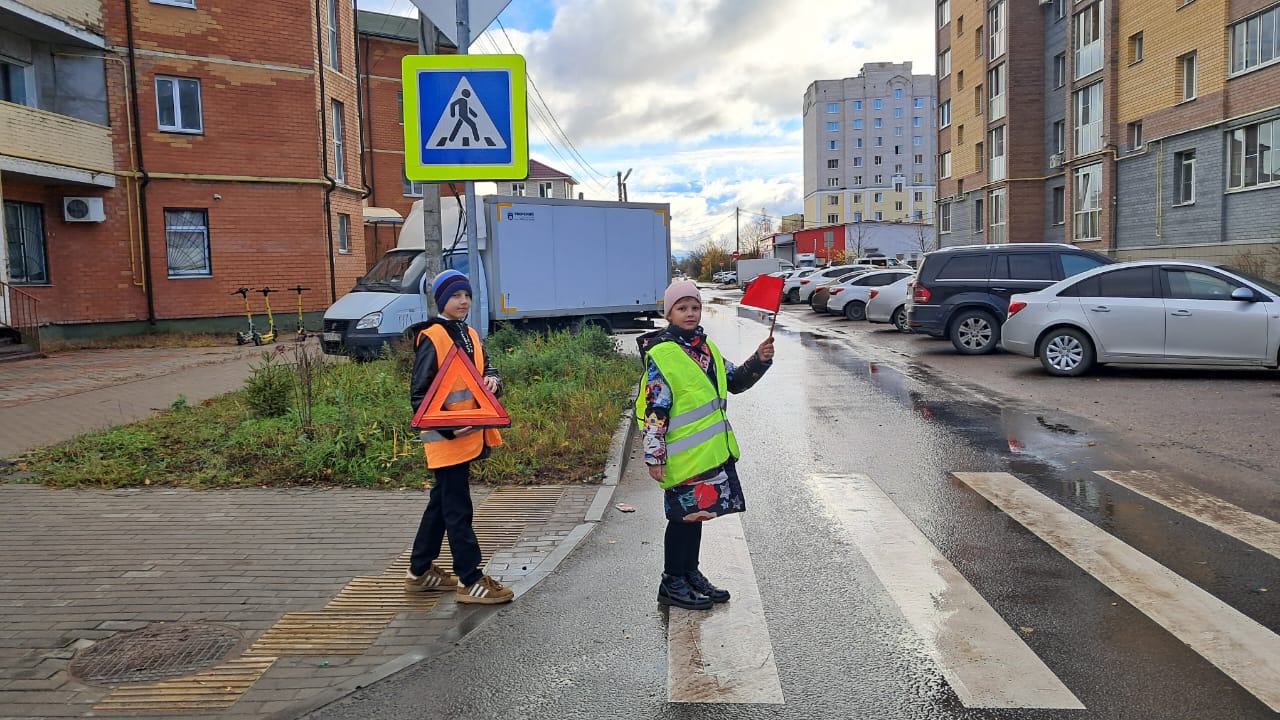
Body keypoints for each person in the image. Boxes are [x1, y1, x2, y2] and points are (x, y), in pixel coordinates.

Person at [636, 279, 774, 611]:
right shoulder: (663, 354)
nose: (690, 313)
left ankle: (689, 573)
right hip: (679, 455)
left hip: (706, 454)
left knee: (695, 516)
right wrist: (654, 456)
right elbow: (655, 410)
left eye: (695, 307)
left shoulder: (705, 349)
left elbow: (736, 381)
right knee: (680, 520)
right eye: (682, 308)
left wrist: (759, 359)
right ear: (668, 312)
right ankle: (672, 581)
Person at [404, 269, 513, 605]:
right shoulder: (433, 337)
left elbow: (486, 370)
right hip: (446, 439)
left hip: (470, 436)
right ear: (441, 300)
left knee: (441, 504)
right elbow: (419, 396)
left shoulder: (469, 333)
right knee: (458, 509)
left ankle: (419, 570)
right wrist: (451, 426)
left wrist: (494, 381)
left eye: (466, 295)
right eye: (454, 296)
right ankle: (470, 579)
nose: (463, 301)